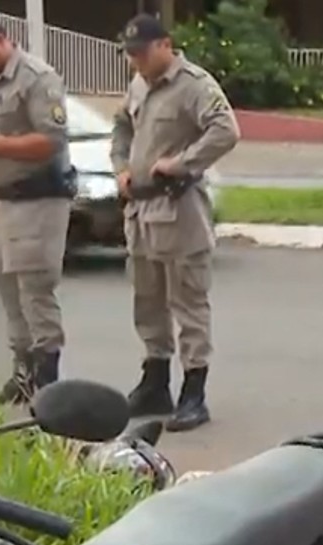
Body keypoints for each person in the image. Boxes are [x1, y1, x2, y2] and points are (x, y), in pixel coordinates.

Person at [111, 14, 240, 432]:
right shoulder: (138, 84)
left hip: (179, 208)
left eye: (142, 53)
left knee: (188, 303)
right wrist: (122, 167)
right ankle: (155, 382)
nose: (136, 61)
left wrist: (182, 163)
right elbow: (121, 128)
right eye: (130, 54)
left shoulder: (194, 85)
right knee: (147, 301)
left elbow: (226, 131)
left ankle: (194, 391)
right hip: (142, 211)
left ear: (165, 45)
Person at [0, 10, 75, 405]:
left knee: (35, 291)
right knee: (7, 288)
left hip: (35, 200)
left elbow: (51, 141)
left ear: (2, 40)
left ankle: (48, 384)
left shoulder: (37, 79)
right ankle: (22, 373)